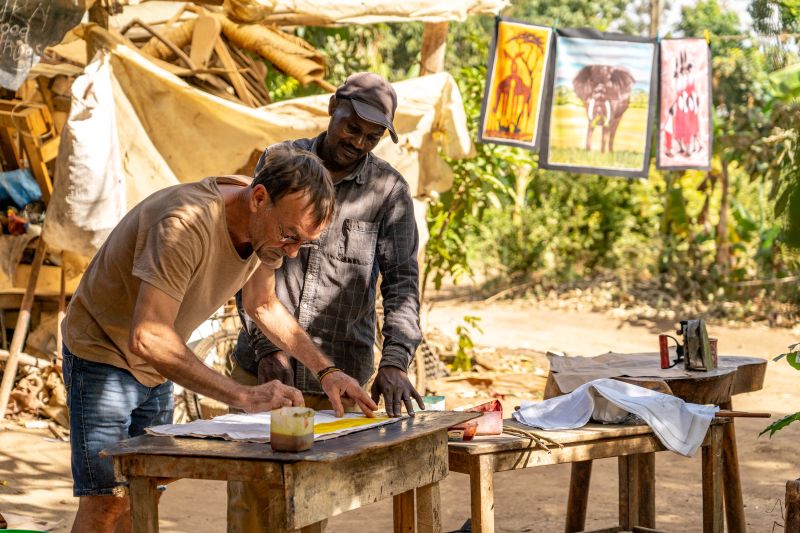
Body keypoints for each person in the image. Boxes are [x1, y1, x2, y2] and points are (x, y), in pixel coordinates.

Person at [62, 146, 378, 533]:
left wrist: (326, 371)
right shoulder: (185, 222)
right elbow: (147, 336)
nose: (291, 252)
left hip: (157, 365)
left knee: (147, 490)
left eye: (303, 243)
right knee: (106, 501)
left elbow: (262, 304)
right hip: (103, 355)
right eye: (289, 237)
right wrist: (242, 395)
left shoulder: (270, 225)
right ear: (259, 198)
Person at [227, 72, 424, 530]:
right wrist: (267, 349)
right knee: (252, 506)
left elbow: (402, 283)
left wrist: (395, 360)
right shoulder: (280, 160)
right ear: (332, 106)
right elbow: (248, 256)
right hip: (263, 370)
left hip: (336, 379)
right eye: (351, 127)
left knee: (309, 510)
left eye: (372, 137)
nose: (358, 142)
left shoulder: (389, 192)